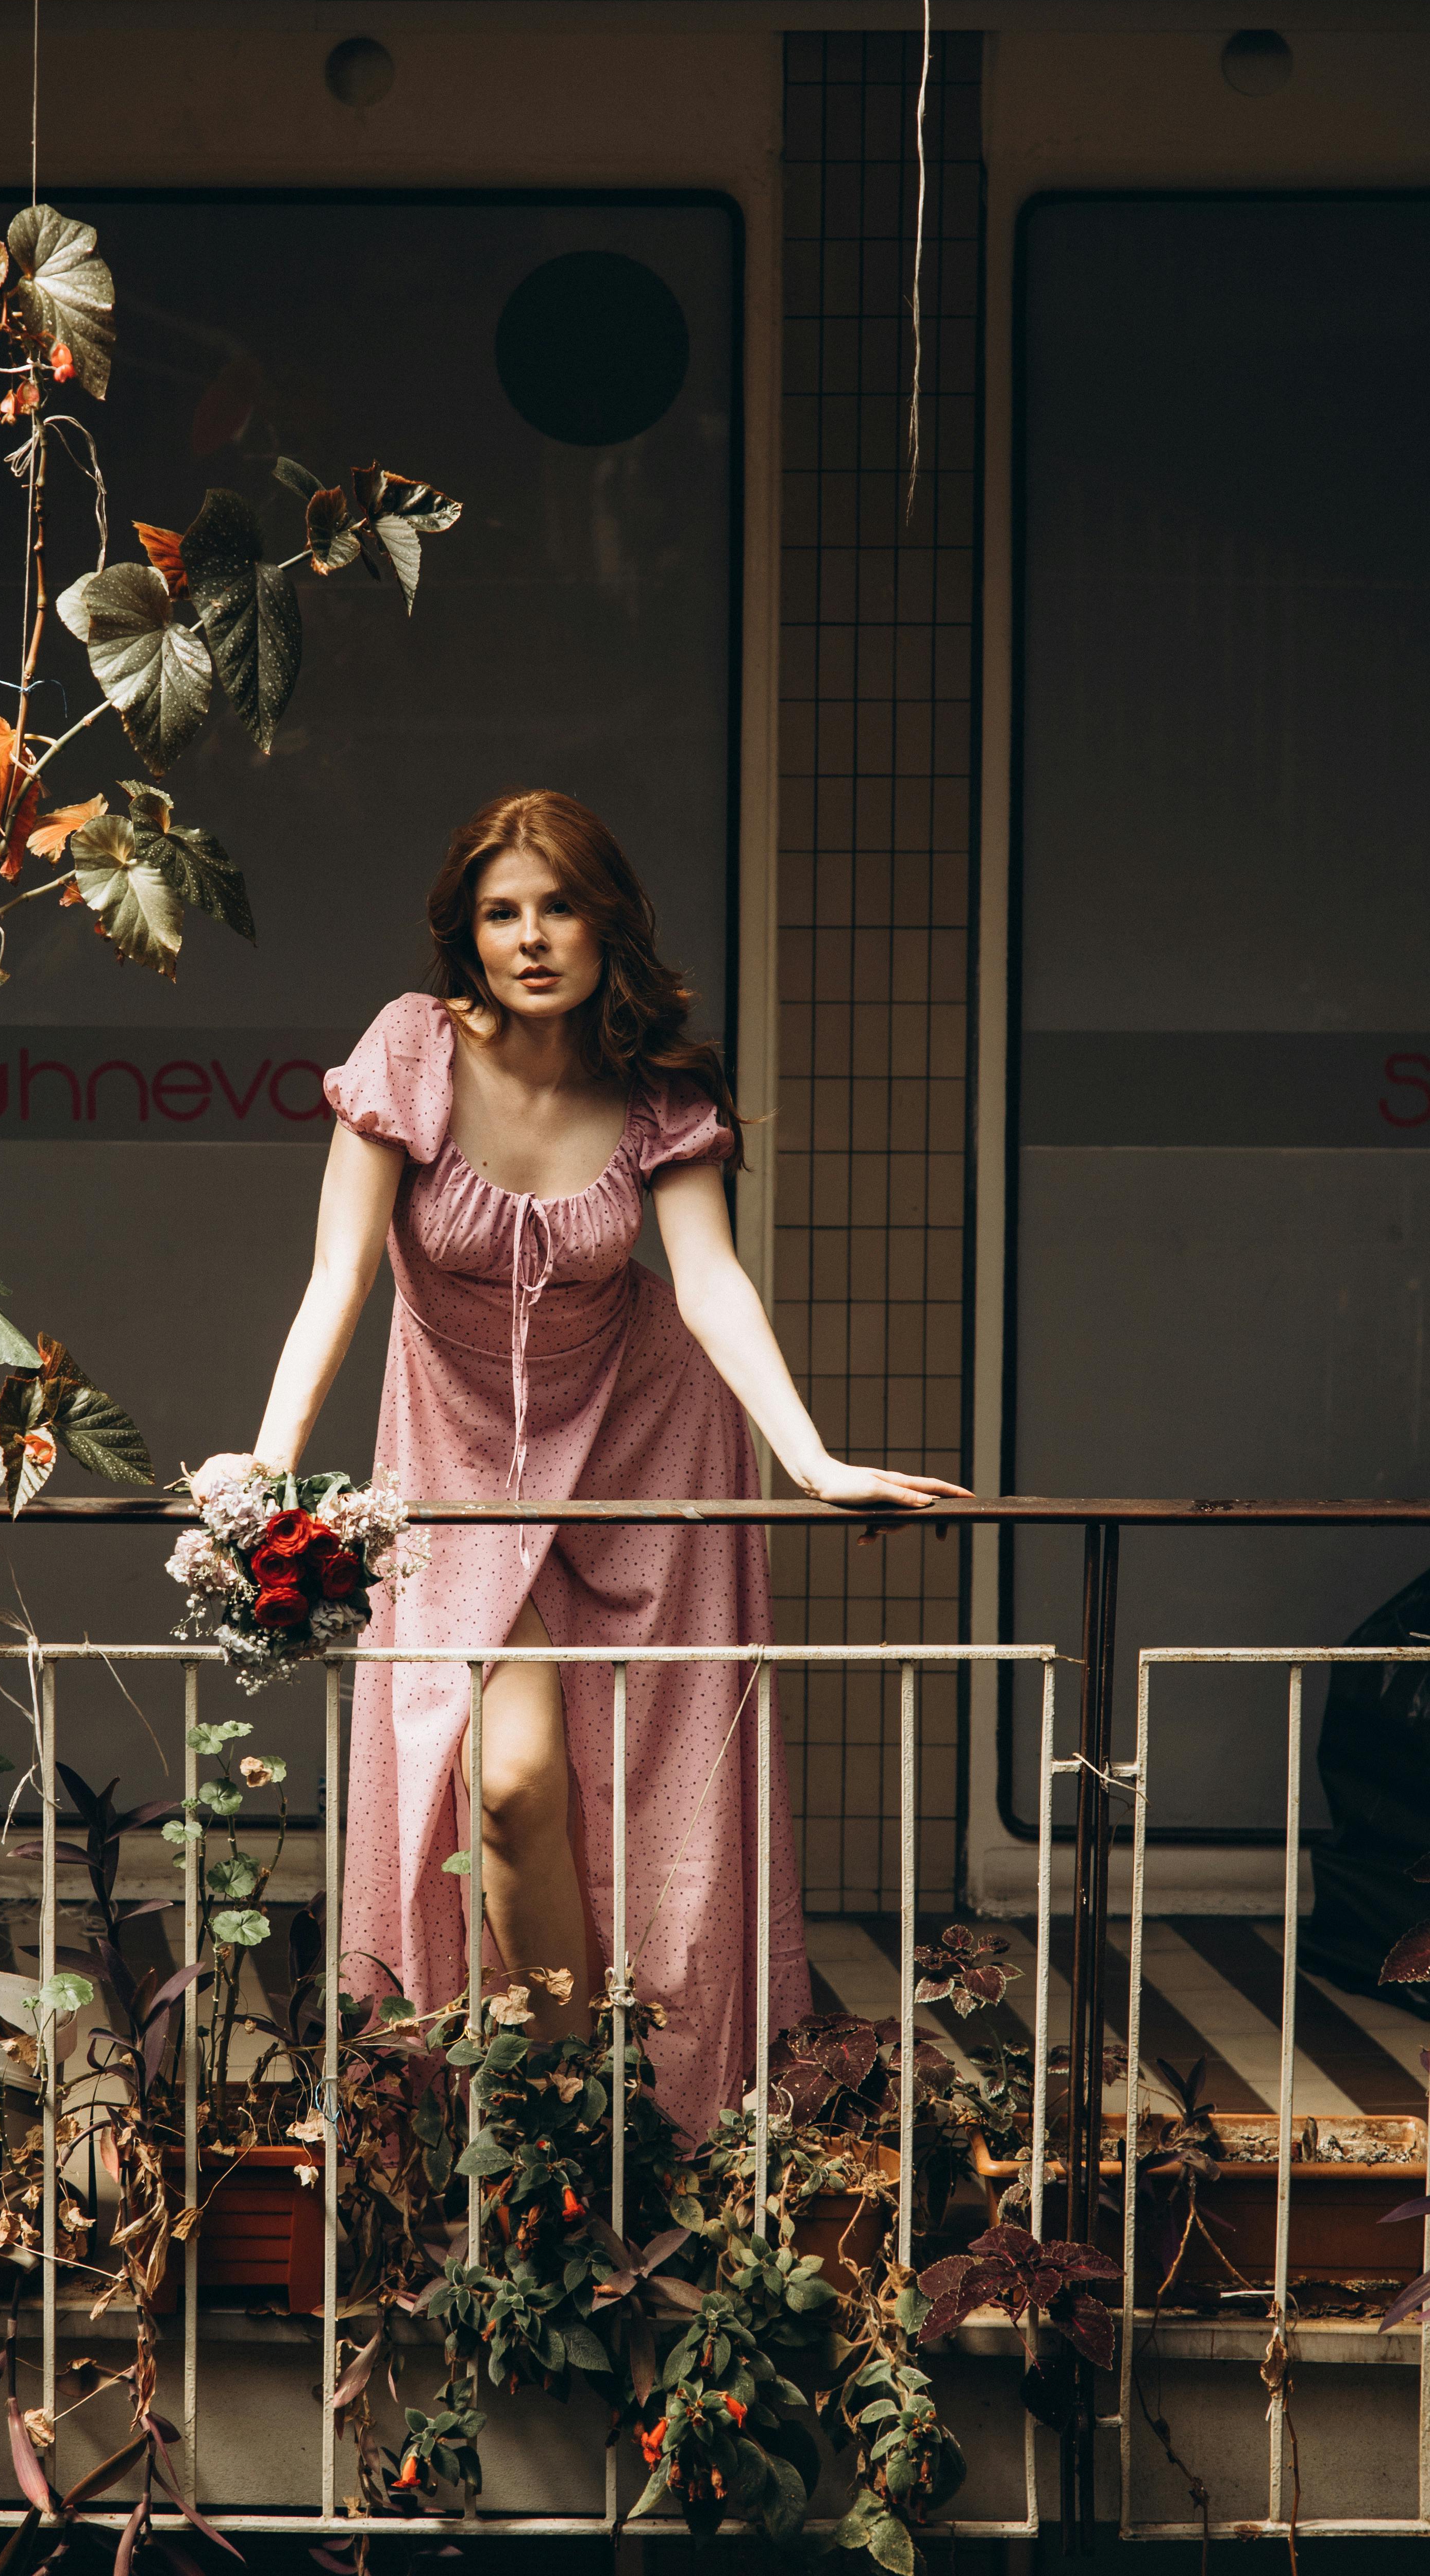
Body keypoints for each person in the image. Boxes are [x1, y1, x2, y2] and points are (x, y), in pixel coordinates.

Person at [193, 789, 968, 2136]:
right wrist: (266, 1475)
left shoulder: (657, 1090)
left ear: (607, 921)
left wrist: (809, 1456)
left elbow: (712, 1283)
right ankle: (553, 2107)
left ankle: (619, 2125)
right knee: (506, 1787)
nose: (533, 938)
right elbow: (336, 1281)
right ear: (466, 933)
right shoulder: (411, 1053)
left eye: (559, 907)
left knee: (657, 1805)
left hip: (641, 1449)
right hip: (454, 1465)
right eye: (503, 913)